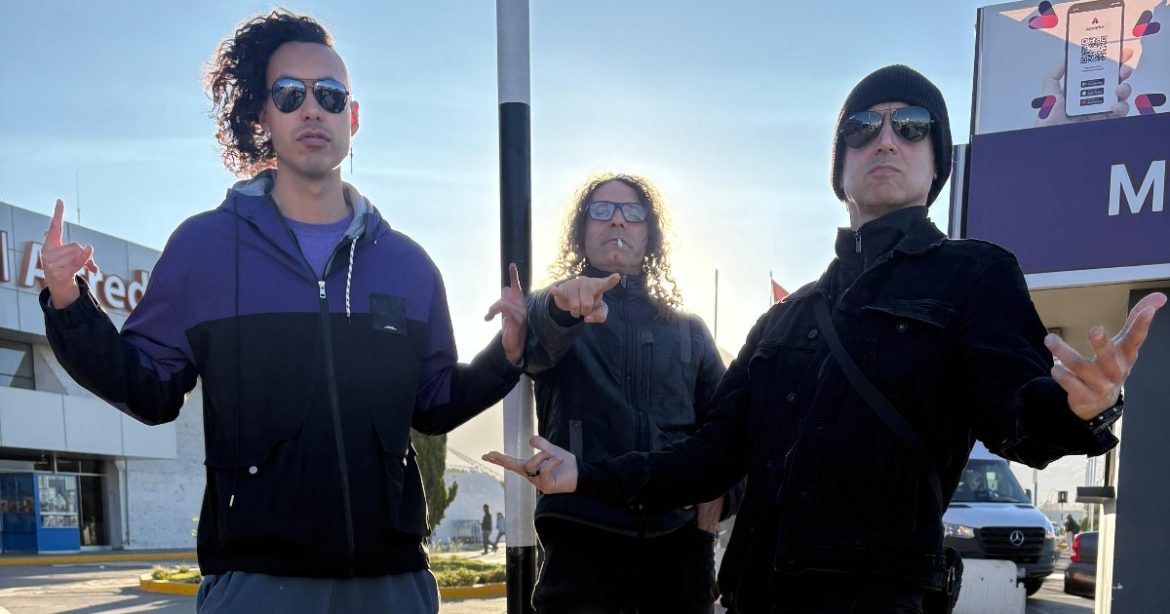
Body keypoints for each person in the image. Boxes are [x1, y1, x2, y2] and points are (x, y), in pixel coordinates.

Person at [487, 65, 1166, 613]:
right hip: (754, 594)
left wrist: (1078, 409)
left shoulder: (974, 274)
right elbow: (707, 457)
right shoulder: (788, 318)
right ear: (839, 169)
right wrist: (587, 475)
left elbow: (1015, 410)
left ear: (937, 164)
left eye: (912, 126)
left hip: (876, 598)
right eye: (863, 129)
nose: (886, 140)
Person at [38, 10, 527, 613]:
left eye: (329, 95)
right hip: (254, 583)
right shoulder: (203, 249)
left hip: (393, 582)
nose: (311, 109)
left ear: (352, 118)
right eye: (290, 94)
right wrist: (70, 305)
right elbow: (149, 391)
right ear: (262, 117)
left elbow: (434, 404)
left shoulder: (408, 264)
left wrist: (506, 355)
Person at [520, 173, 740, 613]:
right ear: (582, 231)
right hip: (580, 550)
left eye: (632, 212)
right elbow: (536, 342)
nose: (617, 221)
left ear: (650, 234)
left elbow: (732, 432)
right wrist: (561, 307)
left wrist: (723, 493)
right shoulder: (557, 311)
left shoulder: (690, 332)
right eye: (601, 210)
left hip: (678, 553)